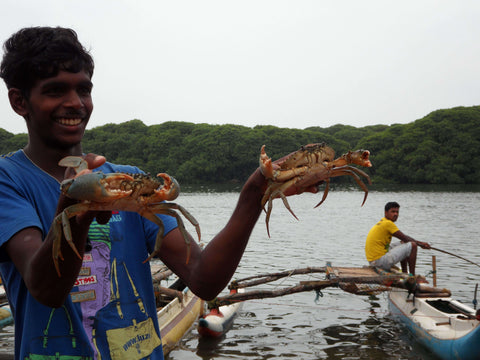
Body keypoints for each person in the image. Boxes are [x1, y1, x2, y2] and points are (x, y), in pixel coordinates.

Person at [0, 26, 317, 360]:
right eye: (55, 91)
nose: (75, 103)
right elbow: (45, 289)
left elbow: (205, 279)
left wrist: (256, 191)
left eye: (84, 90)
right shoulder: (8, 181)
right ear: (20, 101)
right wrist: (76, 210)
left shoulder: (130, 180)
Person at [365, 201, 430, 275]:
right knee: (413, 245)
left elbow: (404, 238)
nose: (395, 214)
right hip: (379, 262)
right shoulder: (388, 223)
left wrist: (420, 243)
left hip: (374, 261)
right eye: (393, 212)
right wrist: (421, 244)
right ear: (386, 213)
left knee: (404, 243)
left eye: (397, 212)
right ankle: (412, 276)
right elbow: (405, 238)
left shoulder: (384, 222)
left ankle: (405, 273)